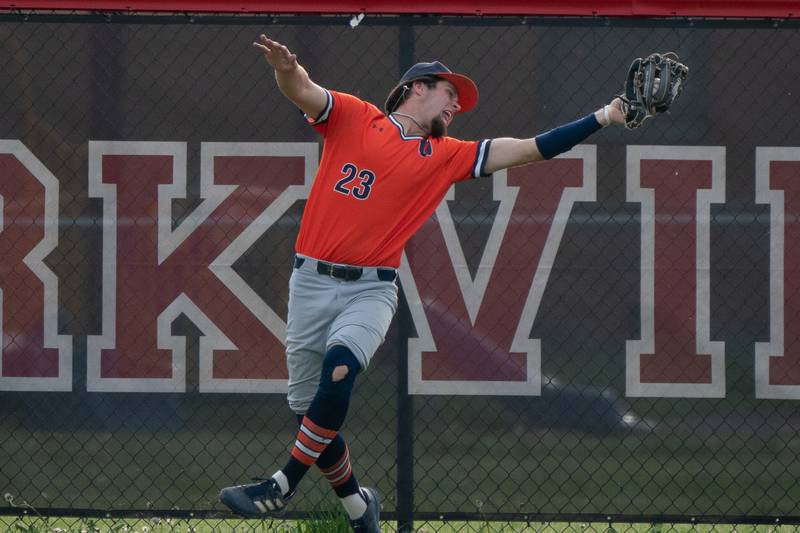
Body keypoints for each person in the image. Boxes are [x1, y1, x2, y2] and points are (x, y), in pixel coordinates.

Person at [219, 34, 627, 532]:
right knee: (310, 416)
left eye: (460, 100)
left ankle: (279, 486)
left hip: (371, 289)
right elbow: (302, 90)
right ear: (416, 89)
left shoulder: (446, 155)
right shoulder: (355, 116)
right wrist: (286, 69)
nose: (457, 104)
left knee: (341, 369)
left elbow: (530, 150)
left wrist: (604, 116)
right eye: (449, 93)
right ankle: (357, 507)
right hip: (308, 283)